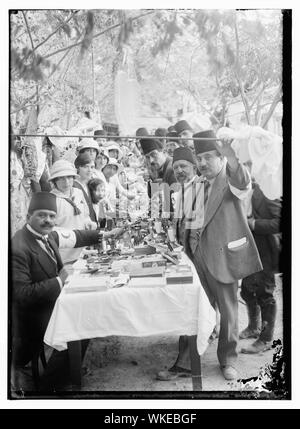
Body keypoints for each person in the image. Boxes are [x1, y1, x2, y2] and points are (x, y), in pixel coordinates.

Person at [157, 130, 263, 381]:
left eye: (207, 158)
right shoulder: (195, 183)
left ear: (222, 157)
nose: (202, 163)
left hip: (223, 256)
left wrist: (233, 159)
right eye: (199, 158)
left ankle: (228, 360)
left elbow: (242, 181)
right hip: (195, 258)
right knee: (192, 309)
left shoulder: (231, 178)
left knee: (228, 312)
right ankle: (184, 363)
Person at [11, 192, 123, 391]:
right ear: (28, 217)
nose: (48, 221)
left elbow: (76, 236)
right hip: (31, 319)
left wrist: (105, 234)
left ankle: (68, 372)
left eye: (52, 216)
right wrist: (58, 281)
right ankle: (49, 388)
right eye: (42, 215)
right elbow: (21, 296)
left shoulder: (48, 235)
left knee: (88, 312)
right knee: (80, 321)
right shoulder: (18, 246)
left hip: (51, 303)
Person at [239, 176, 281, 354]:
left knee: (265, 293)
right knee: (247, 289)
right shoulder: (237, 189)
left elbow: (280, 221)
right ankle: (253, 327)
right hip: (247, 248)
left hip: (264, 250)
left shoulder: (266, 189)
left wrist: (253, 223)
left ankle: (265, 339)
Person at [49, 159, 96, 264]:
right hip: (62, 256)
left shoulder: (78, 193)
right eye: (61, 178)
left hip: (81, 252)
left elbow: (85, 215)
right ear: (54, 181)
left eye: (69, 177)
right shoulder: (51, 200)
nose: (66, 182)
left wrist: (88, 222)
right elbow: (49, 231)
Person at [140, 137, 178, 217]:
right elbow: (152, 197)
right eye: (147, 157)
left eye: (154, 155)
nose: (151, 161)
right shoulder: (160, 168)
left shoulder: (172, 170)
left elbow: (169, 208)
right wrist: (153, 178)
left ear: (164, 152)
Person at [73, 153, 97, 223]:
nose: (89, 170)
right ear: (77, 167)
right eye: (86, 167)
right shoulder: (74, 186)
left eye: (92, 167)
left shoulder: (88, 185)